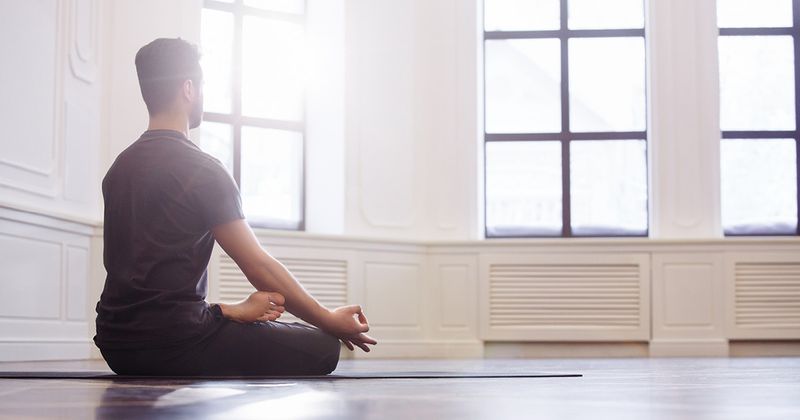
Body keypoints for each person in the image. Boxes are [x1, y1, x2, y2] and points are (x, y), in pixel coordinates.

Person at [94, 38, 376, 376]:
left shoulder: (118, 169)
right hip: (174, 344)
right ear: (188, 88)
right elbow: (259, 267)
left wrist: (227, 311)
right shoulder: (203, 170)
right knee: (323, 348)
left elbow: (146, 288)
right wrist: (329, 319)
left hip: (116, 345)